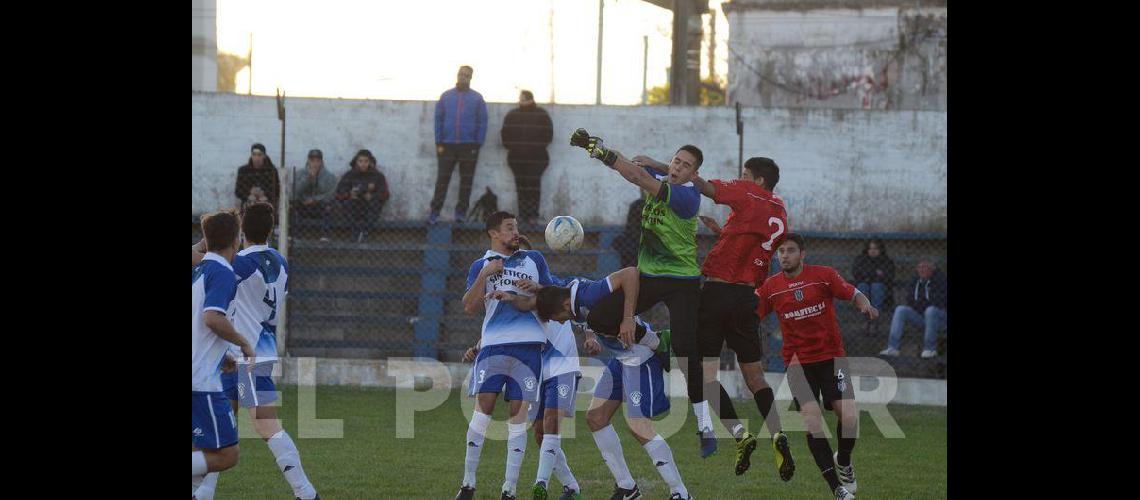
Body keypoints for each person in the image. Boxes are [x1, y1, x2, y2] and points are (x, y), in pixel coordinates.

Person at [635, 155, 794, 479]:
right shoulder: (780, 211)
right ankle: (777, 432)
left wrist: (661, 166)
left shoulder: (748, 193)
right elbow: (753, 246)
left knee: (706, 375)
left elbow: (702, 185)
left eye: (746, 174)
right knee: (755, 378)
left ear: (758, 181)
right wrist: (724, 231)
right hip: (748, 297)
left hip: (718, 294)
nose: (741, 177)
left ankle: (739, 432)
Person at [570, 128, 715, 458]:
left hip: (683, 281)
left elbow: (635, 172)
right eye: (675, 161)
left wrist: (597, 148)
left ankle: (704, 424)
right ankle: (654, 342)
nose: (678, 168)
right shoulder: (663, 175)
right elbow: (627, 166)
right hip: (649, 275)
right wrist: (606, 154)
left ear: (694, 174)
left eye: (685, 165)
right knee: (602, 317)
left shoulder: (688, 197)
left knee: (685, 350)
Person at [191, 203, 320, 500]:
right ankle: (203, 494)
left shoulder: (238, 262)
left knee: (264, 427)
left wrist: (206, 240)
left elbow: (202, 260)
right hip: (256, 349)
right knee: (221, 436)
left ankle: (306, 492)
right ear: (271, 230)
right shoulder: (280, 261)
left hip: (239, 354)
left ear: (241, 234)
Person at [529, 269, 693, 500]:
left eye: (555, 316)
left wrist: (627, 318)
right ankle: (628, 488)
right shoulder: (571, 297)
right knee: (595, 417)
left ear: (564, 305)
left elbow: (630, 274)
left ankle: (680, 493)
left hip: (640, 357)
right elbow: (568, 300)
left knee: (638, 425)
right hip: (621, 359)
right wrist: (536, 288)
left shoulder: (588, 294)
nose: (557, 321)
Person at [755, 234, 879, 500]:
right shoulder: (771, 287)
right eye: (781, 252)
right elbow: (750, 313)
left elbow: (853, 292)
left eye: (790, 250)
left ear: (803, 254)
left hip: (832, 357)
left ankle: (843, 460)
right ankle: (837, 488)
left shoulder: (824, 275)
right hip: (797, 363)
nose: (784, 256)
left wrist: (864, 304)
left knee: (848, 417)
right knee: (812, 422)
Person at [461, 234, 583, 500]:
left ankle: (539, 485)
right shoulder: (521, 300)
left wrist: (592, 335)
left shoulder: (550, 289)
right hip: (534, 361)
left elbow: (573, 304)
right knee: (538, 432)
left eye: (524, 260)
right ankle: (571, 486)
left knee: (549, 425)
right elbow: (507, 321)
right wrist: (480, 345)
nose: (519, 267)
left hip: (561, 363)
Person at [455, 211, 555, 500]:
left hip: (529, 345)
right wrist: (486, 274)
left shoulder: (534, 259)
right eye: (509, 228)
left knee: (517, 416)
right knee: (483, 409)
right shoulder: (481, 265)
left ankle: (509, 490)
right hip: (494, 345)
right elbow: (469, 306)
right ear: (493, 234)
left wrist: (534, 291)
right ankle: (468, 484)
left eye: (516, 227)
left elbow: (554, 298)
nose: (515, 232)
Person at [192, 211, 256, 494]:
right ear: (236, 239)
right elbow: (212, 319)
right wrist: (243, 343)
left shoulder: (200, 270)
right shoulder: (222, 273)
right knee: (227, 455)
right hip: (201, 382)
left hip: (200, 372)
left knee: (199, 450)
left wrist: (224, 354)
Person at [430, 65, 488, 224]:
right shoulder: (446, 96)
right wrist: (439, 141)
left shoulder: (477, 98)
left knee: (466, 181)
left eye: (467, 75)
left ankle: (460, 214)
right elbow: (438, 119)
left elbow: (482, 121)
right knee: (442, 180)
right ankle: (434, 212)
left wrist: (478, 143)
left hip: (469, 146)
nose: (463, 77)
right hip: (447, 145)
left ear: (471, 78)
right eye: (461, 74)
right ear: (457, 75)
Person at [500, 90, 554, 226]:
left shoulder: (541, 114)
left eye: (524, 98)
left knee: (533, 185)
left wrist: (535, 148)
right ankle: (523, 215)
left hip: (537, 159)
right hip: (516, 159)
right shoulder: (512, 115)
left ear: (530, 99)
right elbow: (504, 134)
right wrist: (513, 148)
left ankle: (533, 216)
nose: (522, 101)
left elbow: (548, 135)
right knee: (521, 186)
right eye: (521, 98)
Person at [879, 260, 947, 359]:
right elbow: (910, 300)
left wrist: (921, 302)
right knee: (900, 309)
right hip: (922, 317)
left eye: (925, 267)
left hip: (940, 320)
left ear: (932, 269)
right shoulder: (915, 281)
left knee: (931, 310)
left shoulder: (941, 280)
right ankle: (893, 348)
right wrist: (924, 302)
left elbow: (940, 302)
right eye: (919, 267)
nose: (921, 270)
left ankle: (930, 349)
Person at [335, 149, 389, 242]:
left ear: (370, 162)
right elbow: (339, 192)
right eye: (360, 161)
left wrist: (373, 196)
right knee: (347, 204)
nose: (363, 164)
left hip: (370, 207)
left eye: (366, 161)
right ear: (356, 162)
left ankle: (366, 233)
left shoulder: (378, 176)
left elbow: (385, 193)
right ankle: (354, 232)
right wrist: (349, 194)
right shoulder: (349, 175)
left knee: (375, 204)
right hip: (354, 206)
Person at [292, 149, 338, 241]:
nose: (315, 164)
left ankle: (325, 235)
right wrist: (308, 178)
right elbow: (295, 191)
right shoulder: (300, 174)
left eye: (318, 161)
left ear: (321, 162)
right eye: (312, 160)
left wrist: (315, 199)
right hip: (303, 204)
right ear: (308, 161)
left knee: (329, 205)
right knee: (293, 205)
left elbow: (330, 194)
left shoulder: (329, 176)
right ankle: (296, 235)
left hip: (320, 205)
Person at [851, 238, 895, 311]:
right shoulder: (861, 259)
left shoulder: (886, 260)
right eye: (870, 248)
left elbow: (889, 276)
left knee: (876, 286)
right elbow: (856, 273)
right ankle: (865, 312)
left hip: (881, 287)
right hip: (864, 284)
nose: (873, 251)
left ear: (880, 249)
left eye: (876, 248)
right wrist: (876, 273)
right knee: (863, 286)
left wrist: (868, 273)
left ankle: (874, 313)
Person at [234, 143, 281, 212]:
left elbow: (277, 190)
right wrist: (248, 195)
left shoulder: (271, 171)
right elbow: (238, 191)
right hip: (249, 204)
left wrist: (265, 195)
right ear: (251, 155)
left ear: (264, 156)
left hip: (266, 204)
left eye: (259, 155)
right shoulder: (243, 171)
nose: (256, 158)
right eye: (254, 154)